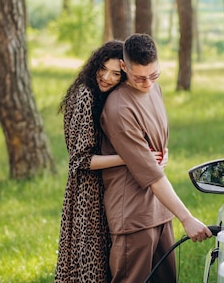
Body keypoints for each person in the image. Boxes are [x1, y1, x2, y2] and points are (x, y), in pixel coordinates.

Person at [100, 33, 212, 283]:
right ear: (123, 67)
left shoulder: (154, 89)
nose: (148, 83)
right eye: (139, 77)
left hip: (160, 209)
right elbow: (150, 173)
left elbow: (156, 150)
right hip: (133, 216)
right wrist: (187, 218)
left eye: (154, 75)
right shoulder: (119, 109)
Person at [54, 40, 165, 283]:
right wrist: (132, 158)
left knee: (111, 261)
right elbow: (80, 161)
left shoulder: (111, 95)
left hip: (109, 186)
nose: (106, 77)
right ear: (94, 65)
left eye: (116, 73)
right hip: (87, 193)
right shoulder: (85, 95)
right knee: (90, 266)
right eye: (102, 69)